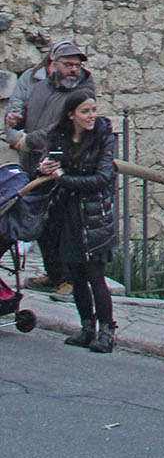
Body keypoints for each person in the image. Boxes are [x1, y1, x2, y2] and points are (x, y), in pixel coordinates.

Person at [8, 39, 93, 291]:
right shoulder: (43, 86)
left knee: (63, 223)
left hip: (62, 164)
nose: (74, 70)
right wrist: (18, 120)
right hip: (35, 163)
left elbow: (60, 127)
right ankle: (53, 273)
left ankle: (68, 278)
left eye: (77, 65)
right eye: (68, 64)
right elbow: (32, 113)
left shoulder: (81, 92)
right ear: (54, 65)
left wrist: (28, 140)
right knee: (41, 222)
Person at [37, 87, 117, 353]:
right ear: (71, 115)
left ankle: (107, 331)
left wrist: (63, 178)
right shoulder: (60, 137)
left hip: (94, 215)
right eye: (85, 111)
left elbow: (103, 178)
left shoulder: (103, 138)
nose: (91, 116)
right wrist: (45, 168)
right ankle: (86, 327)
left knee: (95, 274)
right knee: (76, 274)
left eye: (93, 110)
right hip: (68, 213)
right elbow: (48, 163)